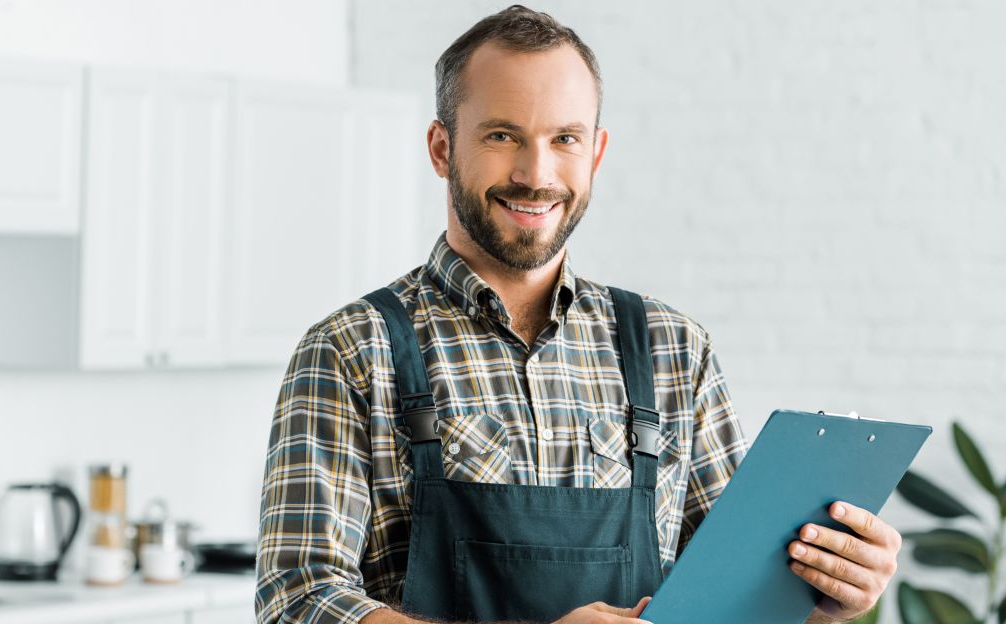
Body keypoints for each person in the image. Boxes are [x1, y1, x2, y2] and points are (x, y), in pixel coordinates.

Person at [255, 5, 902, 624]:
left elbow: (734, 598)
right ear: (440, 148)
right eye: (502, 135)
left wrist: (824, 599)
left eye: (564, 139)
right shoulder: (350, 349)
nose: (537, 174)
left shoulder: (673, 348)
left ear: (595, 152)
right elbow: (296, 603)